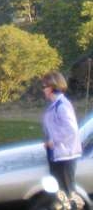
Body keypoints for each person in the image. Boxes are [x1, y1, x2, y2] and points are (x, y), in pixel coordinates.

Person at [41, 71, 83, 208]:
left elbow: (71, 129)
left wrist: (53, 141)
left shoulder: (62, 105)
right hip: (57, 155)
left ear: (53, 86)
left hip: (65, 155)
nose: (43, 89)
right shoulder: (55, 105)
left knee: (68, 193)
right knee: (60, 194)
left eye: (45, 86)